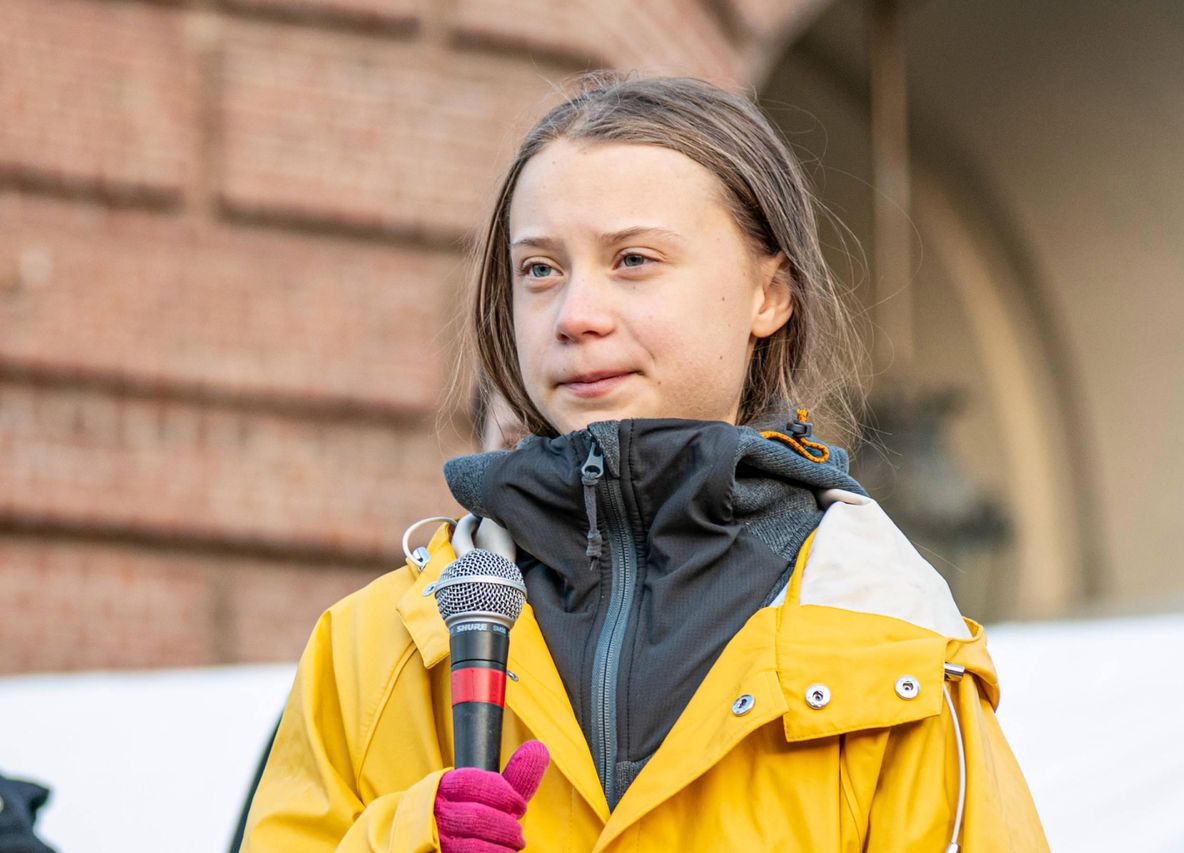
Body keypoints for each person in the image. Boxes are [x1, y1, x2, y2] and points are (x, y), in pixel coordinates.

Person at [240, 74, 1048, 851]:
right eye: (540, 270)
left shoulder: (898, 649)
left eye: (633, 260)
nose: (575, 315)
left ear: (770, 294)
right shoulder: (369, 646)